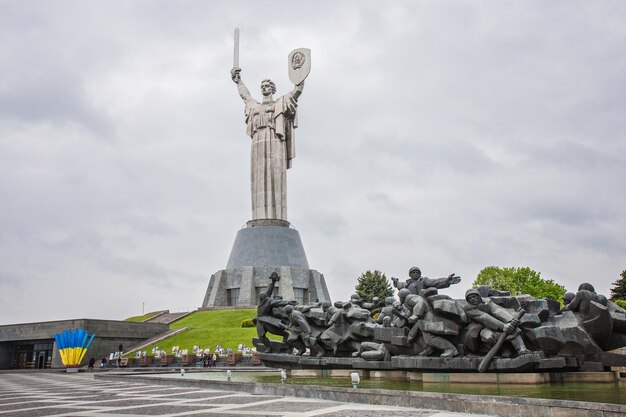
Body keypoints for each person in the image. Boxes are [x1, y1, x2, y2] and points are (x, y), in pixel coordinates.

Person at [231, 67, 304, 221]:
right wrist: (238, 82)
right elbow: (245, 96)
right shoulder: (255, 106)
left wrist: (300, 77)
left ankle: (277, 218)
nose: (264, 88)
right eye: (262, 86)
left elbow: (296, 93)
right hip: (258, 143)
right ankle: (260, 217)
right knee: (259, 178)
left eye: (267, 86)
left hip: (275, 140)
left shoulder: (280, 102)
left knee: (275, 176)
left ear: (272, 89)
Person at [464, 288, 531, 356]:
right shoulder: (468, 308)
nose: (472, 299)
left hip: (496, 325)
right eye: (469, 298)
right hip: (481, 328)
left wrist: (510, 320)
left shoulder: (487, 302)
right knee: (488, 337)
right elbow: (484, 317)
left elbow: (497, 311)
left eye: (474, 296)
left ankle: (522, 350)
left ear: (478, 296)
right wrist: (503, 326)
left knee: (512, 328)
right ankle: (503, 349)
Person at [392, 267, 461, 297]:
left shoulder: (424, 280)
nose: (415, 273)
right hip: (409, 303)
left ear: (420, 274)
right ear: (410, 275)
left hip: (422, 301)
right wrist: (395, 282)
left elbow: (435, 282)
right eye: (413, 272)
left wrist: (446, 281)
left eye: (417, 272)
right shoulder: (407, 284)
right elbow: (399, 285)